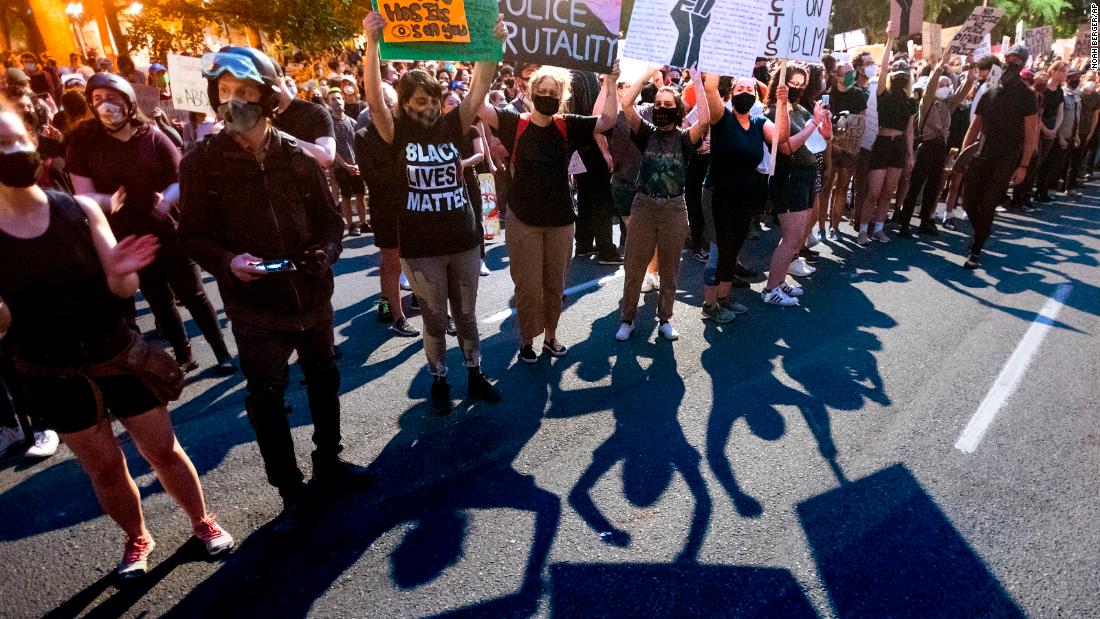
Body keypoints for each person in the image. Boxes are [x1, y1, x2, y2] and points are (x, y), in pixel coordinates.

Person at [0, 101, 234, 578]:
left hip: (116, 354)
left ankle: (201, 522)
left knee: (163, 450)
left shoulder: (81, 210)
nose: (15, 150)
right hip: (52, 371)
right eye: (2, 145)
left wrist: (125, 270)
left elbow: (122, 288)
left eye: (18, 138)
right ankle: (137, 538)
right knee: (104, 468)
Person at [179, 46, 371, 534]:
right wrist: (226, 262)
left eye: (244, 92)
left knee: (324, 379)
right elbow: (193, 236)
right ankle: (290, 489)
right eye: (224, 92)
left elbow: (331, 225)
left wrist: (323, 257)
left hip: (311, 295)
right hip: (253, 306)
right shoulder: (200, 163)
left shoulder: (298, 157)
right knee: (266, 396)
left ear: (266, 97)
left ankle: (329, 463)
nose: (233, 102)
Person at [362, 12, 504, 413]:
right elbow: (374, 103)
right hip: (421, 248)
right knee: (436, 321)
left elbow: (479, 87)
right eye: (420, 101)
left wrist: (491, 46)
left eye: (434, 100)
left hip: (462, 240)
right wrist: (372, 45)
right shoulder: (397, 132)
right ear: (405, 104)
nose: (429, 107)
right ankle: (440, 378)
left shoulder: (452, 125)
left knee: (467, 316)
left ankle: (475, 375)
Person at [66, 72, 236, 375]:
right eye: (97, 100)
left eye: (112, 98)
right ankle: (183, 355)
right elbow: (83, 194)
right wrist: (107, 202)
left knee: (193, 293)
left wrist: (167, 198)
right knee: (159, 299)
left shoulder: (153, 135)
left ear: (129, 103)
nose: (105, 105)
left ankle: (220, 351)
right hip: (126, 236)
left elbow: (180, 177)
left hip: (168, 230)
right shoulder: (83, 143)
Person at [479, 61, 620, 362]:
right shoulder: (513, 122)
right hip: (523, 219)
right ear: (531, 92)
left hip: (560, 220)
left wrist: (610, 80)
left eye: (552, 91)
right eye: (541, 90)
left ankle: (551, 338)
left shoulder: (567, 124)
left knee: (554, 286)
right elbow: (477, 106)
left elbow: (607, 119)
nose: (546, 95)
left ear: (562, 95)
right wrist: (486, 59)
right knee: (528, 287)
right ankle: (527, 340)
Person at [613, 66, 709, 342]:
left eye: (668, 105)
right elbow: (626, 103)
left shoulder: (684, 139)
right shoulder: (646, 133)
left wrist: (696, 80)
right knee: (634, 267)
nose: (662, 108)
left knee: (669, 268)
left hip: (674, 209)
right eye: (658, 104)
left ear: (678, 109)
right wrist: (647, 73)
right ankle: (627, 319)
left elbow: (704, 119)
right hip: (643, 206)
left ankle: (665, 319)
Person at [701, 74, 789, 319]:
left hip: (744, 196)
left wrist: (782, 104)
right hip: (717, 194)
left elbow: (780, 138)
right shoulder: (722, 118)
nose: (745, 92)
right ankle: (709, 306)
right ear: (731, 94)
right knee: (719, 250)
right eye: (740, 88)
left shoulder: (760, 122)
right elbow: (710, 88)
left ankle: (724, 298)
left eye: (750, 89)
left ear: (756, 97)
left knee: (733, 248)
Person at [959, 45, 1038, 269]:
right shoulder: (990, 90)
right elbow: (975, 126)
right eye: (1008, 58)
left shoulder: (1027, 95)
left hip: (1006, 159)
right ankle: (983, 231)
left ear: (1023, 64)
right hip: (981, 154)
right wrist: (963, 155)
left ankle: (976, 250)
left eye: (1016, 60)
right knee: (968, 202)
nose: (1011, 62)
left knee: (988, 203)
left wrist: (1023, 165)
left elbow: (1031, 133)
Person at [763, 66, 831, 306]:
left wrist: (823, 123)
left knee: (797, 236)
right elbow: (786, 147)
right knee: (791, 238)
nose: (798, 88)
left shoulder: (802, 110)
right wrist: (813, 123)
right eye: (794, 83)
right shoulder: (774, 112)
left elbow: (823, 138)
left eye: (802, 84)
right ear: (782, 84)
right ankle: (770, 290)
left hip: (805, 177)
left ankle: (779, 282)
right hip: (788, 178)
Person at [895, 57, 973, 237]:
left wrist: (971, 67)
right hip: (926, 146)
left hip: (940, 148)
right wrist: (941, 65)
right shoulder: (927, 102)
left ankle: (925, 221)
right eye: (942, 84)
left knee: (934, 186)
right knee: (915, 186)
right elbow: (931, 84)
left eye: (947, 84)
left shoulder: (948, 104)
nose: (945, 87)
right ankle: (905, 223)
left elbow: (966, 88)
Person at [857, 33, 914, 245]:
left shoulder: (910, 102)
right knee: (873, 192)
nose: (900, 77)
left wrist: (910, 154)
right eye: (897, 73)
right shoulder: (883, 94)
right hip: (881, 144)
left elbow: (909, 130)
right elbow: (881, 70)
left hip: (898, 147)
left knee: (888, 192)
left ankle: (879, 228)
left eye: (904, 74)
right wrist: (890, 40)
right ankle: (863, 230)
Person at [821, 61, 867, 240]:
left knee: (842, 187)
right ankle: (822, 227)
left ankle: (835, 226)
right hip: (831, 148)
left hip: (849, 150)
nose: (850, 76)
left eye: (851, 73)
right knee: (826, 187)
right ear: (837, 76)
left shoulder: (858, 94)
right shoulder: (828, 95)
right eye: (846, 73)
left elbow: (861, 121)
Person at [326, 88, 368, 236]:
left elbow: (359, 145)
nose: (337, 102)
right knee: (346, 196)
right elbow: (333, 148)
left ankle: (363, 223)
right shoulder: (329, 124)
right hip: (341, 167)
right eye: (332, 99)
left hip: (356, 166)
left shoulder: (353, 122)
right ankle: (350, 225)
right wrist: (345, 165)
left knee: (360, 194)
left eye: (338, 98)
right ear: (328, 104)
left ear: (343, 101)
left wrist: (357, 164)